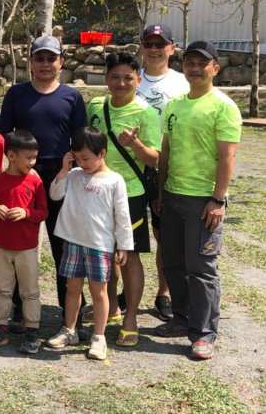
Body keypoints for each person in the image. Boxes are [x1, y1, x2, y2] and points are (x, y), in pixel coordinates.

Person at [155, 41, 241, 361]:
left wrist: (217, 199)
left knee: (201, 268)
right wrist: (161, 194)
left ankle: (204, 333)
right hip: (174, 197)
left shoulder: (223, 106)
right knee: (174, 263)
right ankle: (182, 318)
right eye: (189, 62)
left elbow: (227, 157)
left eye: (201, 63)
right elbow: (166, 153)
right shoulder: (175, 104)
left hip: (204, 200)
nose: (194, 68)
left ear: (214, 68)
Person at [0, 35, 87, 327]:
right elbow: (4, 137)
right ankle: (14, 306)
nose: (46, 64)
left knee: (63, 244)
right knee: (17, 244)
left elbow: (80, 141)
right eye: (40, 58)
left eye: (51, 58)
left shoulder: (71, 97)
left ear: (61, 61)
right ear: (30, 61)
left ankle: (71, 310)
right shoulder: (16, 94)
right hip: (22, 178)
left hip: (60, 178)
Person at [87, 52, 161, 346]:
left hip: (129, 193)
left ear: (138, 80)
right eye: (115, 77)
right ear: (105, 79)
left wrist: (137, 145)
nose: (121, 83)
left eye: (128, 78)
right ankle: (112, 309)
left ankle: (131, 318)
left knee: (129, 256)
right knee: (104, 254)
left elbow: (155, 159)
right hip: (95, 190)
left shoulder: (146, 112)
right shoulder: (95, 106)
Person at [46, 128, 132, 361]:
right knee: (72, 288)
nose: (82, 163)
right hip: (73, 240)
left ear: (101, 153)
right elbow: (54, 195)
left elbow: (122, 215)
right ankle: (69, 329)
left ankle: (98, 336)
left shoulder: (114, 180)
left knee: (99, 291)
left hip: (99, 245)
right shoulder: (73, 175)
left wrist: (123, 245)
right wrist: (64, 170)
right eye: (78, 158)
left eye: (87, 158)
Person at [136, 23, 190, 322]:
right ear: (142, 47)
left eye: (161, 44)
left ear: (172, 48)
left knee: (165, 235)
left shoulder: (182, 83)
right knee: (125, 234)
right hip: (132, 167)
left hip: (166, 168)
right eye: (149, 43)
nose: (154, 49)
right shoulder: (130, 79)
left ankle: (164, 292)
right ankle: (122, 293)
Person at [0, 130, 47, 354]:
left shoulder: (35, 181)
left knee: (30, 291)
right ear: (11, 155)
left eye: (35, 157)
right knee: (2, 289)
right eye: (28, 157)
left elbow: (43, 212)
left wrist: (27, 213)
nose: (33, 162)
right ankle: (0, 329)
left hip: (27, 247)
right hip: (1, 246)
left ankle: (32, 331)